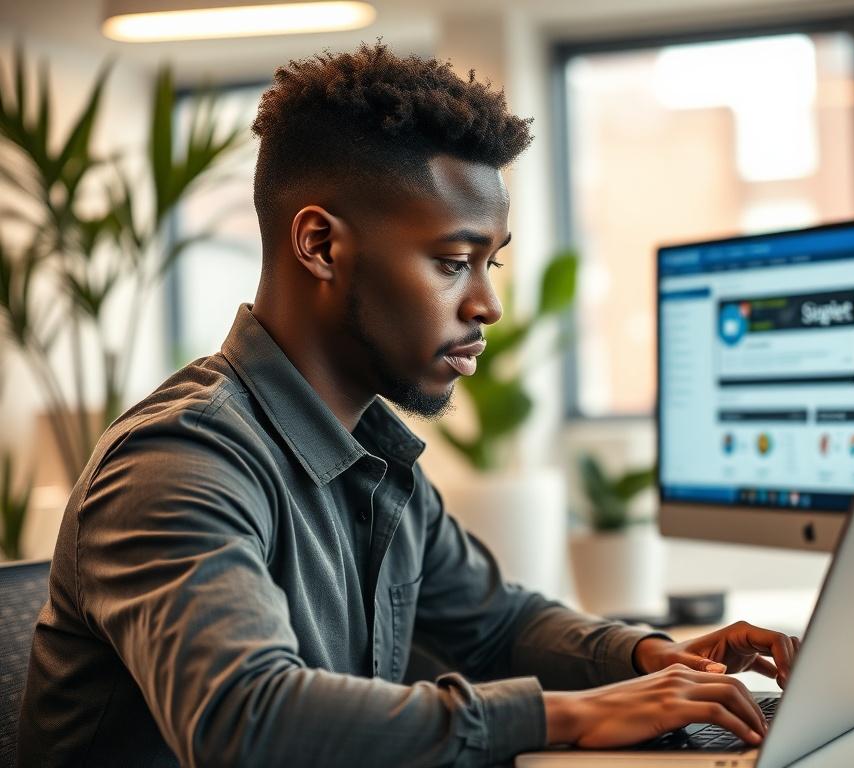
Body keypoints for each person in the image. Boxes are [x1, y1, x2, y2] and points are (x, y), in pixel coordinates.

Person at [18, 42, 799, 767]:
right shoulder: (180, 462)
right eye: (454, 262)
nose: (488, 305)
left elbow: (497, 624)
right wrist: (572, 715)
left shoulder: (371, 455)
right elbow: (245, 720)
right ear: (321, 245)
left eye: (491, 263)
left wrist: (644, 659)